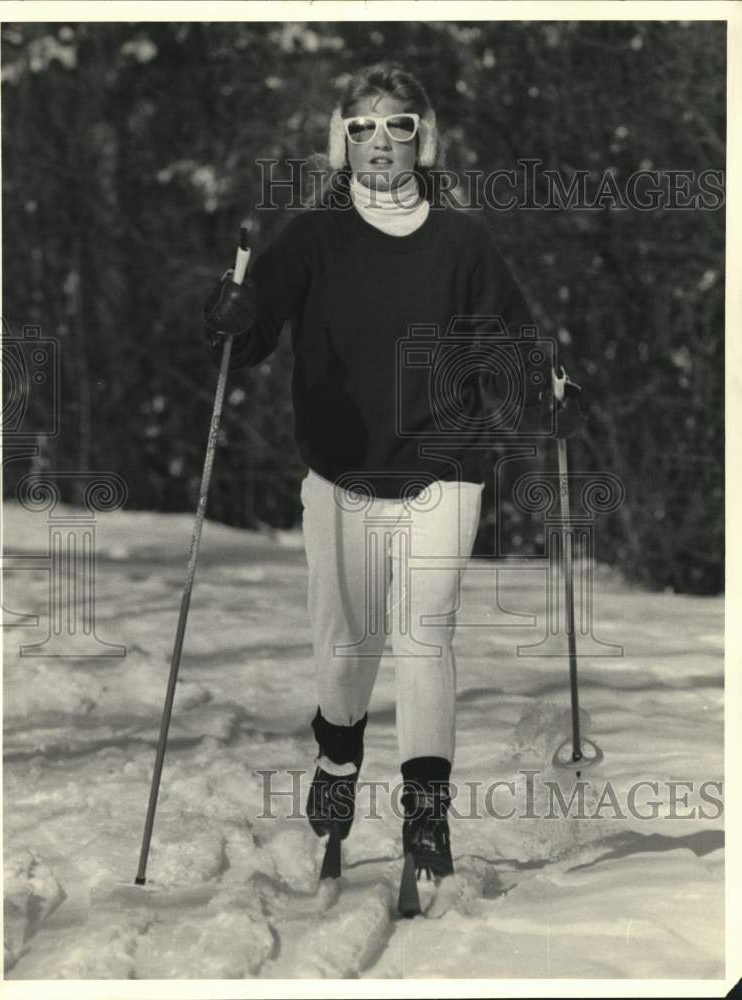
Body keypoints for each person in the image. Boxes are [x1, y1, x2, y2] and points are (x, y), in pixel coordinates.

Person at [203, 62, 585, 884]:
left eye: (400, 125)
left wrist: (542, 397)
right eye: (365, 126)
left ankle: (426, 816)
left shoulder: (462, 241)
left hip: (446, 466)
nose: (382, 141)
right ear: (342, 141)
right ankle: (338, 758)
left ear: (425, 138)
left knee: (425, 638)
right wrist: (231, 315)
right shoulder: (313, 236)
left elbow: (508, 348)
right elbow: (252, 325)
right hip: (341, 473)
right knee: (347, 652)